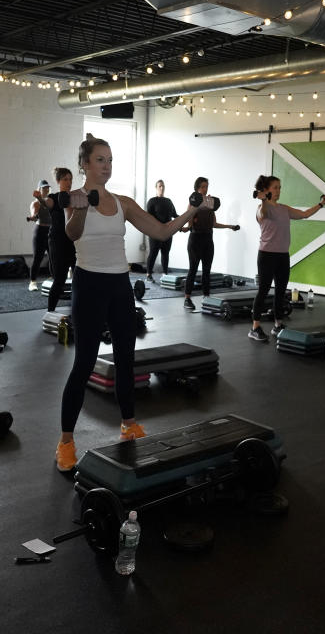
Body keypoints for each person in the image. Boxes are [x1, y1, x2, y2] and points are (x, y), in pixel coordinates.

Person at [55, 134, 194, 472]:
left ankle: (129, 424)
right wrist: (83, 208)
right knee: (84, 363)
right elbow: (72, 234)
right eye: (100, 160)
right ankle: (66, 441)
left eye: (110, 160)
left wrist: (193, 210)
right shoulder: (74, 198)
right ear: (85, 164)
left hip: (120, 285)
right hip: (89, 284)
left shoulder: (123, 202)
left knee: (125, 360)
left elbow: (160, 232)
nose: (107, 166)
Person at [249, 175, 325, 342]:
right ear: (266, 190)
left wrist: (321, 203)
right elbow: (263, 213)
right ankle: (255, 327)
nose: (278, 190)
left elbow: (305, 214)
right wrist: (263, 200)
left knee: (280, 291)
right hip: (266, 255)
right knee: (263, 290)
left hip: (282, 255)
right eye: (275, 187)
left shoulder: (283, 209)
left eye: (279, 187)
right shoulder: (261, 208)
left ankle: (278, 324)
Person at [181, 176, 240, 311]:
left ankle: (206, 297)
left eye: (206, 186)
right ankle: (187, 298)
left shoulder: (210, 204)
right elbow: (189, 224)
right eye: (202, 186)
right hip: (195, 240)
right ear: (197, 188)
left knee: (207, 270)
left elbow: (213, 224)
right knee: (193, 269)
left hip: (208, 239)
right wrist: (184, 228)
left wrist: (230, 226)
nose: (205, 189)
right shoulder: (193, 203)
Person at [32, 167, 77, 312]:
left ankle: (78, 310)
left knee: (79, 279)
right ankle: (50, 311)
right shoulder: (55, 197)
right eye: (65, 179)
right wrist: (39, 198)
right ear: (58, 181)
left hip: (75, 242)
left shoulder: (76, 198)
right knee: (60, 279)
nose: (68, 182)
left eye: (70, 179)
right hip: (58, 242)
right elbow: (46, 202)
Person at [145, 179, 177, 281]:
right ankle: (148, 274)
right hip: (155, 232)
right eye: (160, 186)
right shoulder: (152, 201)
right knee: (153, 253)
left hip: (168, 232)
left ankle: (165, 274)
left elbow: (175, 215)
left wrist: (187, 218)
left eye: (163, 186)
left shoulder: (168, 201)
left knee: (165, 253)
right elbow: (148, 217)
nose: (162, 188)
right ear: (156, 188)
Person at [28, 180, 52, 291]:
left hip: (51, 231)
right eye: (44, 188)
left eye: (47, 188)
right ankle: (32, 282)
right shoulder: (36, 203)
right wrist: (32, 217)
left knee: (53, 257)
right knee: (38, 258)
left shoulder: (51, 202)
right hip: (40, 231)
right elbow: (34, 215)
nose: (46, 190)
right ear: (39, 190)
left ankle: (54, 278)